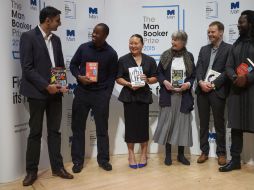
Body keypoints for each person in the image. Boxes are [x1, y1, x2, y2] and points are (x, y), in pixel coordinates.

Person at [19, 6, 73, 186]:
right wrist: (45, 86)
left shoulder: (56, 40)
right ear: (48, 20)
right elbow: (27, 68)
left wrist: (62, 85)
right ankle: (31, 171)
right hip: (36, 93)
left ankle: (57, 168)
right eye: (58, 20)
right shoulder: (28, 37)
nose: (60, 23)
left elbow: (58, 66)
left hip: (55, 93)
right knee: (35, 132)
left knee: (54, 132)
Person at [70, 23, 118, 173]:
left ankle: (103, 160)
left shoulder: (111, 53)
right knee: (78, 128)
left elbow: (112, 77)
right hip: (82, 92)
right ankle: (77, 161)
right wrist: (79, 77)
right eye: (93, 32)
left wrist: (106, 95)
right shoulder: (83, 47)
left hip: (100, 96)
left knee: (102, 129)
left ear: (105, 36)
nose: (94, 35)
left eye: (98, 33)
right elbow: (72, 64)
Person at [153, 31, 196, 166]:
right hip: (168, 96)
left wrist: (188, 84)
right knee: (168, 125)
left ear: (183, 42)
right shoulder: (166, 55)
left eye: (175, 40)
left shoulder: (189, 56)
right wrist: (165, 82)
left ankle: (181, 155)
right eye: (172, 39)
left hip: (183, 97)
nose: (172, 42)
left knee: (182, 125)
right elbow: (158, 73)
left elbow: (193, 75)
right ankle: (168, 155)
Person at [219, 10, 254, 172]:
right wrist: (234, 77)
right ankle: (235, 160)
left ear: (251, 24)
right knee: (236, 128)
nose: (239, 25)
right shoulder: (236, 44)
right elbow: (228, 66)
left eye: (242, 22)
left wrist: (247, 78)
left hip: (252, 92)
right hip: (236, 92)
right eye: (239, 22)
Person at [116, 34, 157, 169]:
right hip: (129, 96)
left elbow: (155, 78)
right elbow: (118, 78)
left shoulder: (150, 60)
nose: (133, 46)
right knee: (131, 127)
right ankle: (131, 154)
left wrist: (147, 80)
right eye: (131, 43)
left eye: (136, 43)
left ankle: (144, 154)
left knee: (143, 126)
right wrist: (128, 83)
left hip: (143, 96)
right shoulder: (123, 60)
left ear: (142, 44)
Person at [195, 21, 232, 166]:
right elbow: (199, 68)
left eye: (213, 32)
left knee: (219, 123)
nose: (210, 34)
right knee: (203, 123)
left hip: (217, 91)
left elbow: (227, 71)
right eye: (209, 32)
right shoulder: (203, 49)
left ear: (221, 32)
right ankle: (204, 151)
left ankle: (221, 153)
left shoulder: (229, 49)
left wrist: (214, 84)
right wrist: (200, 82)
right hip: (202, 90)